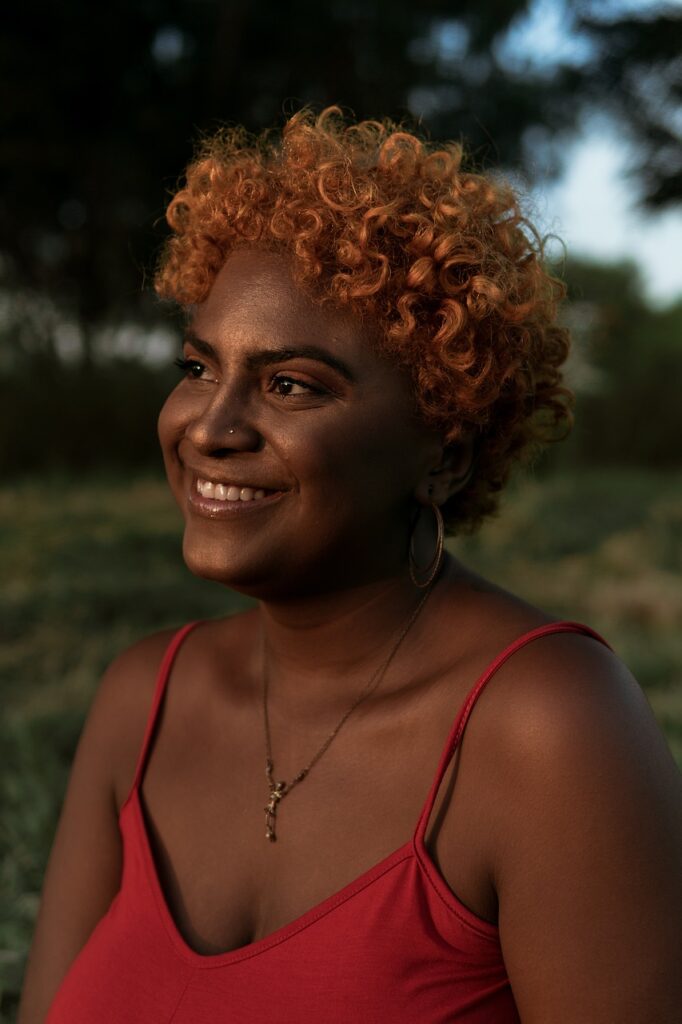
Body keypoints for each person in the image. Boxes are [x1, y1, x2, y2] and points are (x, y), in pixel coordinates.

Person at [19, 108, 682, 1023]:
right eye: (199, 366)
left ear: (444, 452)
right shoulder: (142, 700)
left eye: (291, 384)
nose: (210, 427)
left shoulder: (548, 729)